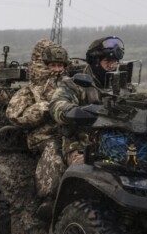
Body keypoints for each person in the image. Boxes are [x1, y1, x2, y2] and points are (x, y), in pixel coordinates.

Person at [5, 39, 68, 215]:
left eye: (60, 65)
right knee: (54, 153)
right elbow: (14, 115)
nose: (56, 70)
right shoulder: (31, 90)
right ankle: (48, 200)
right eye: (53, 65)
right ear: (43, 64)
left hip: (69, 134)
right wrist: (44, 108)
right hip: (42, 136)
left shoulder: (69, 85)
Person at [50, 35, 125, 164]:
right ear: (95, 61)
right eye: (108, 60)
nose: (113, 65)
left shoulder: (120, 85)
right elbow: (56, 105)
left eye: (115, 61)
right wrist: (75, 112)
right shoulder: (75, 83)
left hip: (115, 142)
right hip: (79, 142)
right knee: (85, 167)